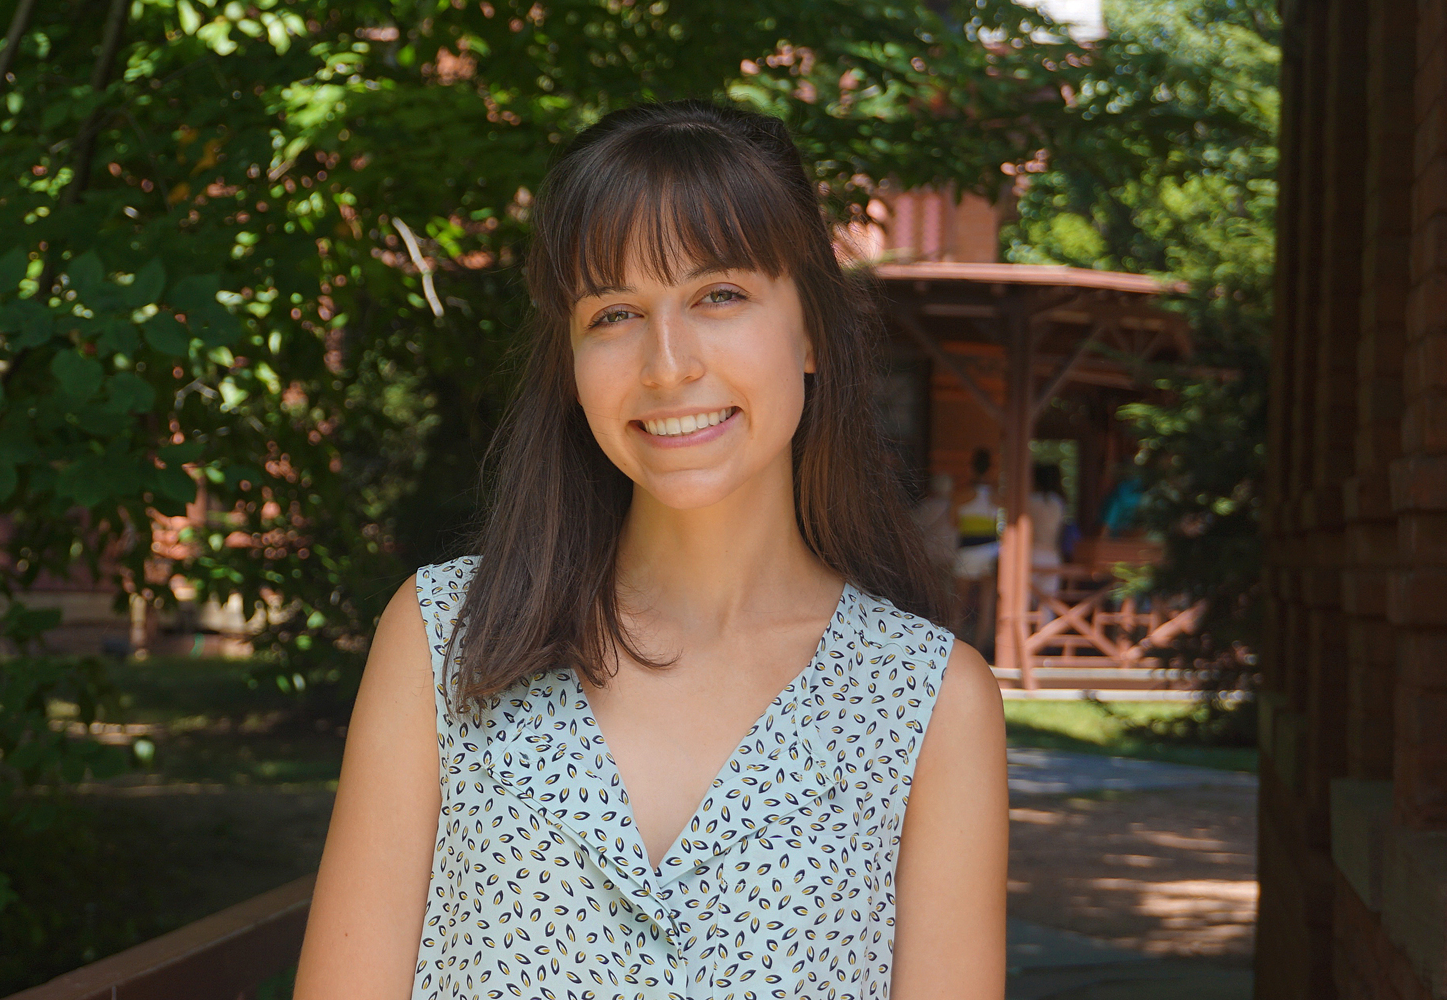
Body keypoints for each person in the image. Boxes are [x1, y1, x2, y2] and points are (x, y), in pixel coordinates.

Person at [293, 100, 1007, 1000]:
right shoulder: (443, 637)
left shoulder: (930, 704)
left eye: (720, 295)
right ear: (572, 361)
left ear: (815, 330)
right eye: (614, 312)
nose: (667, 364)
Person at [954, 447, 1001, 650]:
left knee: (959, 601)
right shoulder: (997, 496)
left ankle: (953, 645)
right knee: (987, 604)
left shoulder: (960, 495)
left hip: (967, 550)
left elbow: (953, 522)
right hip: (990, 550)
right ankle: (981, 648)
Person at [912, 471, 958, 604]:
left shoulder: (928, 505)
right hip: (949, 551)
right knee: (947, 588)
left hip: (929, 552)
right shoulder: (954, 505)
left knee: (929, 587)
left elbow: (914, 524)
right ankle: (946, 616)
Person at [1027, 463, 1067, 604]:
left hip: (1031, 553)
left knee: (1025, 601)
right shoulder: (1059, 502)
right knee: (1048, 603)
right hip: (1052, 555)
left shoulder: (1030, 501)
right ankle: (1047, 627)